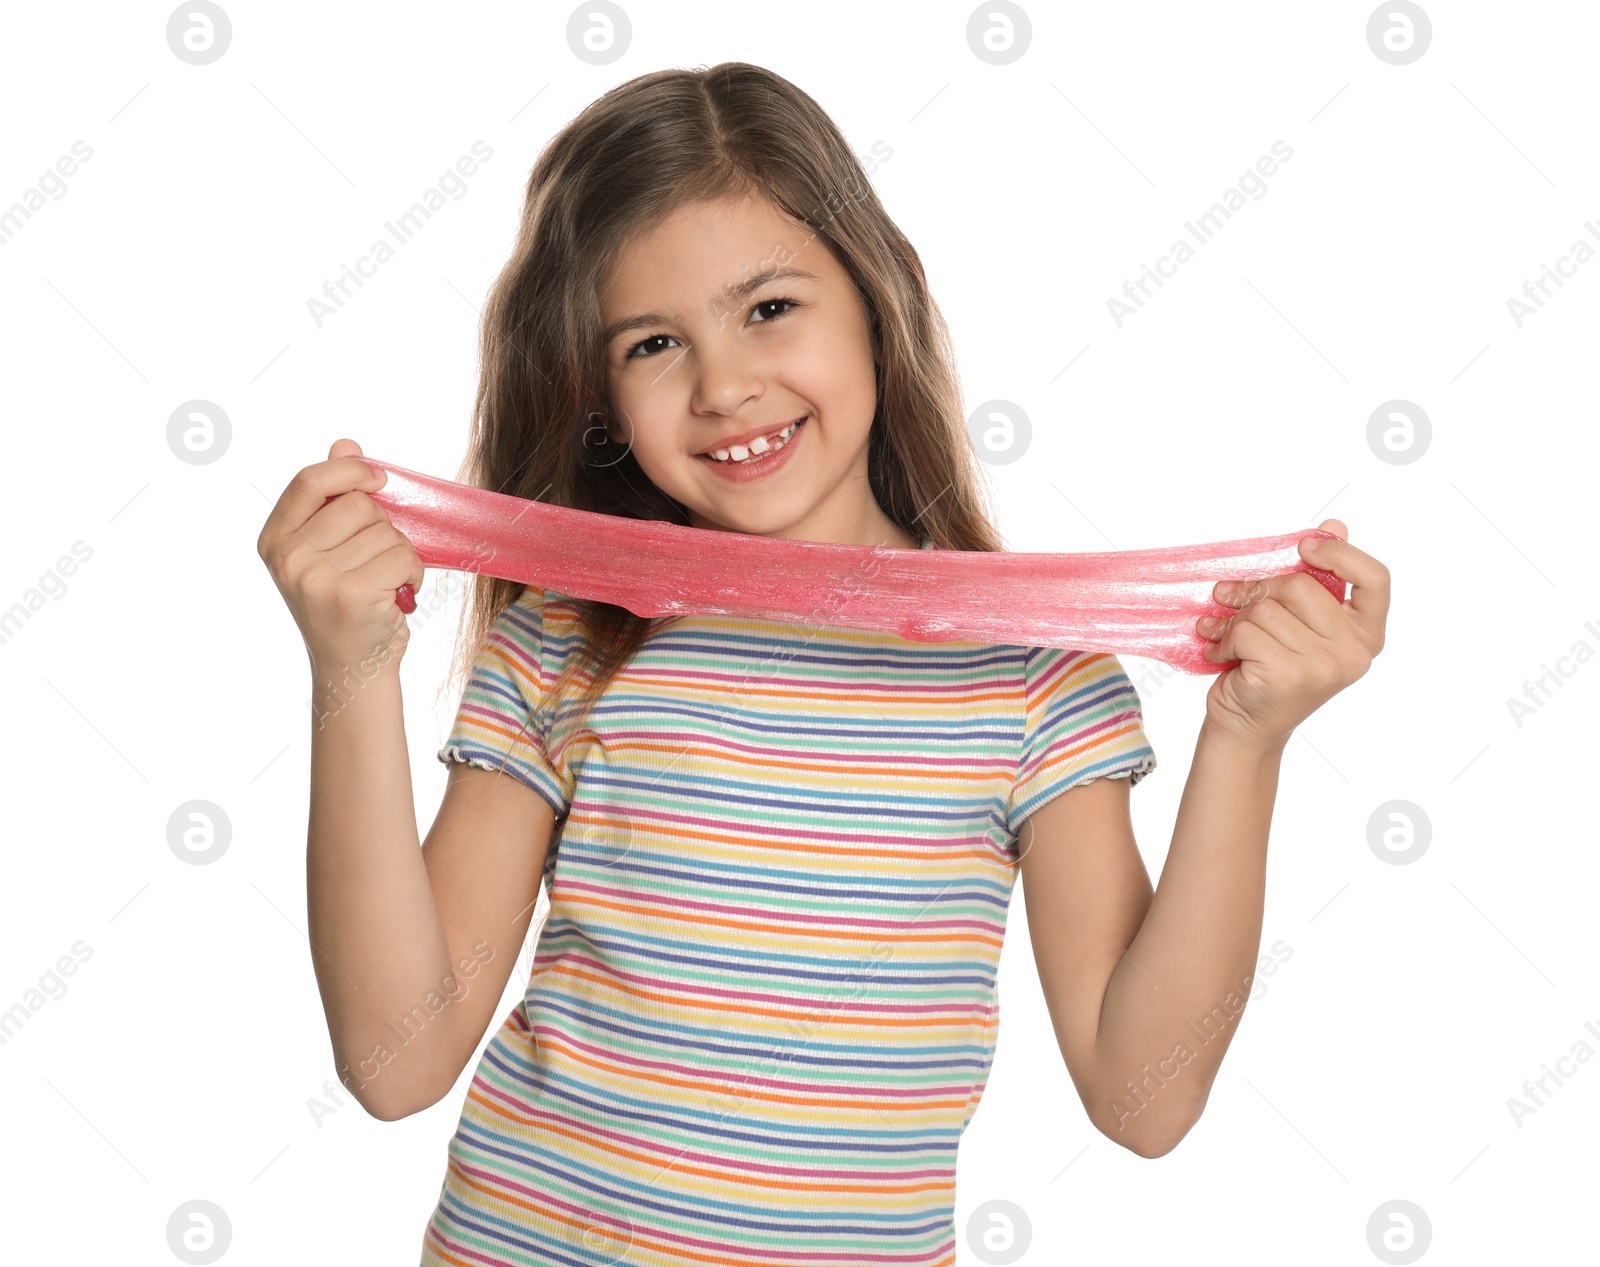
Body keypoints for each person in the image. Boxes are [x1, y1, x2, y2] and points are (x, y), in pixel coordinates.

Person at [256, 62, 1389, 1267]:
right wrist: (354, 668)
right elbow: (397, 1060)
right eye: (651, 343)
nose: (724, 383)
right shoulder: (569, 642)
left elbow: (1141, 1097)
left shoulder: (1028, 679)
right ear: (599, 394)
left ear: (875, 299)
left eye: (768, 307)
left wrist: (1248, 741)